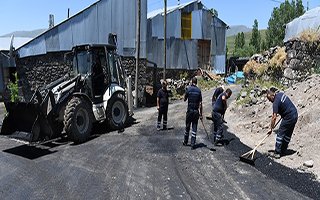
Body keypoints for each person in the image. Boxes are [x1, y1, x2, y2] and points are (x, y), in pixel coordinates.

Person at [266, 89, 298, 159]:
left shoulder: (275, 103)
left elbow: (274, 117)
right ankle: (283, 150)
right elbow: (284, 105)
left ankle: (277, 153)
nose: (269, 101)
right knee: (288, 134)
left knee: (280, 134)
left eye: (269, 99)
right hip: (295, 114)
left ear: (272, 96)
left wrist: (271, 128)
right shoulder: (280, 94)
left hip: (288, 117)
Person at [183, 77, 203, 149]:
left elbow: (184, 99)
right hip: (196, 112)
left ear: (191, 82)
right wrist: (201, 114)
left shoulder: (188, 89)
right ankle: (192, 144)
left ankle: (185, 141)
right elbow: (200, 104)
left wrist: (186, 92)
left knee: (187, 126)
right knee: (194, 127)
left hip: (190, 111)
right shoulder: (199, 90)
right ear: (196, 82)